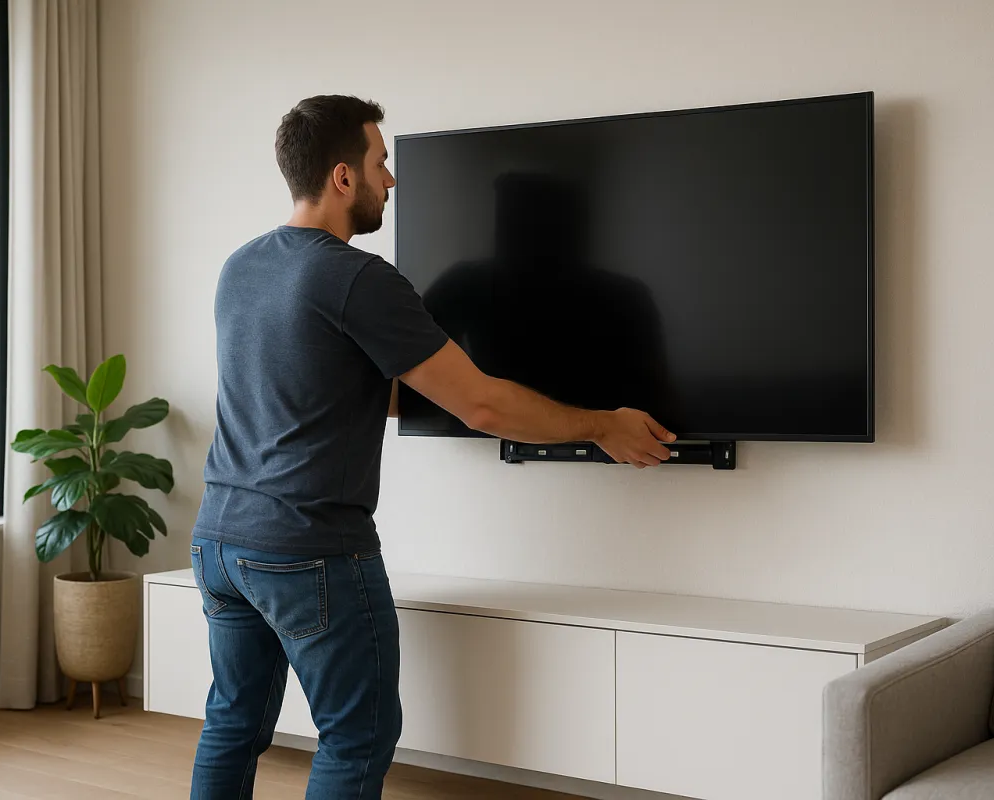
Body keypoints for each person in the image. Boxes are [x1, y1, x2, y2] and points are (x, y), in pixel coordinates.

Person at [189, 94, 675, 800]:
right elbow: (478, 403)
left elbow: (311, 386)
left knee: (233, 722)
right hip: (308, 546)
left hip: (220, 541)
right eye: (381, 162)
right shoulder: (357, 278)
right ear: (342, 177)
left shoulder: (242, 266)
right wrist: (603, 424)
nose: (392, 179)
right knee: (357, 735)